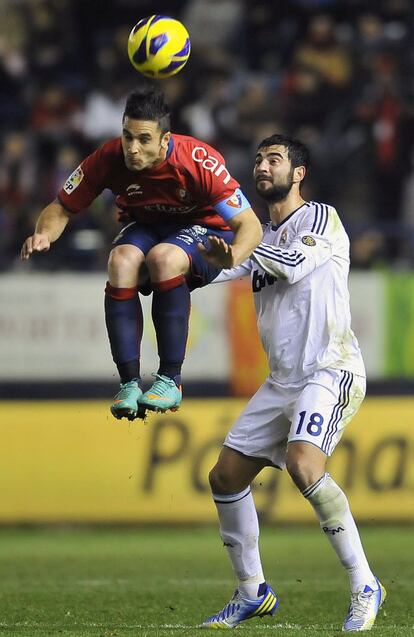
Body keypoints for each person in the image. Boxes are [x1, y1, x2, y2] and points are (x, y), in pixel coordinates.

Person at [199, 134, 385, 631]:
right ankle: (252, 591)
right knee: (224, 477)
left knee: (304, 465)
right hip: (282, 381)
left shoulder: (319, 218)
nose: (262, 166)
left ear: (297, 173)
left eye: (274, 159)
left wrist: (243, 243)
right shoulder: (255, 236)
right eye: (258, 158)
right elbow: (211, 269)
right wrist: (163, 265)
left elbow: (293, 263)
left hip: (330, 368)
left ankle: (365, 583)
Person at [20, 85, 263, 419]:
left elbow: (250, 225)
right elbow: (61, 206)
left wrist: (233, 256)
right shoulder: (108, 158)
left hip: (204, 230)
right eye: (127, 137)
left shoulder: (198, 160)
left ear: (165, 139)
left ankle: (170, 380)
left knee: (163, 258)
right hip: (149, 225)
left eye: (144, 139)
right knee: (120, 261)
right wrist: (43, 234)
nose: (133, 149)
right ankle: (129, 383)